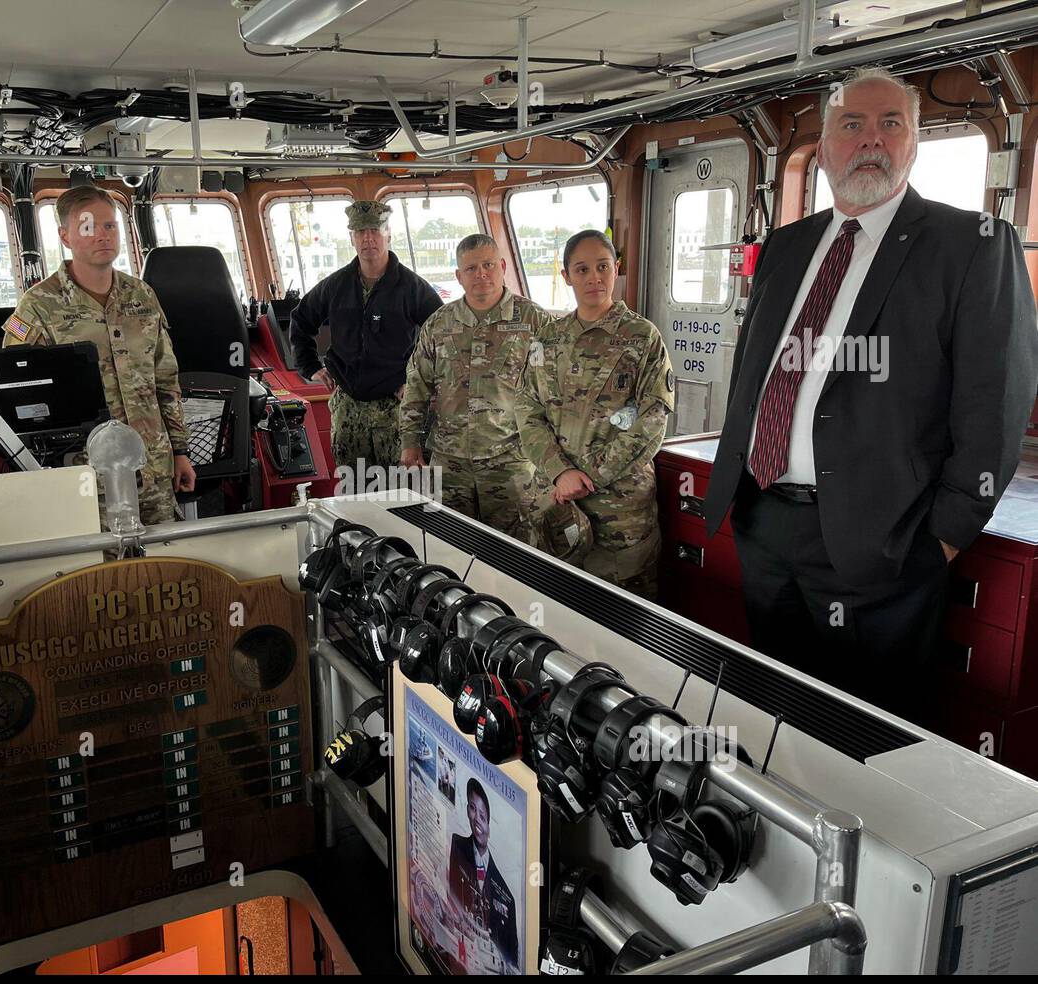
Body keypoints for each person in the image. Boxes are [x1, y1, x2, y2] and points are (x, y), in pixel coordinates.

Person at [703, 66, 1038, 722]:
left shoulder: (970, 246)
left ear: (914, 144)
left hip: (882, 544)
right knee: (778, 717)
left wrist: (941, 537)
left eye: (892, 124)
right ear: (825, 147)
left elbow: (994, 404)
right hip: (764, 520)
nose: (871, 139)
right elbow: (755, 370)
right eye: (851, 124)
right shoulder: (788, 244)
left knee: (868, 737)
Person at [2, 185, 194, 524]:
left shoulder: (142, 295)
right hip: (85, 474)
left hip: (153, 464)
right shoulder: (38, 306)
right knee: (100, 572)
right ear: (65, 236)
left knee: (164, 565)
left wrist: (180, 451)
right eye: (89, 227)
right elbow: (20, 395)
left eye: (110, 226)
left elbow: (165, 379)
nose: (103, 236)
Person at [515, 230, 675, 598]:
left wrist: (587, 476)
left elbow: (652, 417)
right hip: (557, 505)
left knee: (627, 615)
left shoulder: (642, 338)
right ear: (566, 275)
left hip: (621, 511)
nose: (594, 277)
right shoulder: (547, 339)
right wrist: (559, 472)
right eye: (582, 269)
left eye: (602, 266)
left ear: (616, 269)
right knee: (559, 606)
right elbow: (527, 410)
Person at [399, 233, 553, 543]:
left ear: (503, 266)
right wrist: (410, 440)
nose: (481, 274)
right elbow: (417, 384)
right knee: (449, 547)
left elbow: (555, 392)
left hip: (511, 460)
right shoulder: (439, 324)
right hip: (450, 461)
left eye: (488, 265)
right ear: (458, 276)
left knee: (517, 552)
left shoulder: (535, 321)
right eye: (471, 268)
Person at [290, 200, 442, 473]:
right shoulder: (336, 285)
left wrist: (419, 384)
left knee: (405, 493)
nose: (368, 238)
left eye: (375, 229)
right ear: (351, 237)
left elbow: (442, 338)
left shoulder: (412, 287)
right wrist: (310, 366)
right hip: (348, 407)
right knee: (354, 493)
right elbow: (301, 320)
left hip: (396, 409)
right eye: (360, 232)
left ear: (388, 233)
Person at [447, 778, 518, 968]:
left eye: (483, 815)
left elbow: (512, 961)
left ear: (490, 822)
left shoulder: (507, 898)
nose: (477, 818)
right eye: (472, 808)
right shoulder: (457, 846)